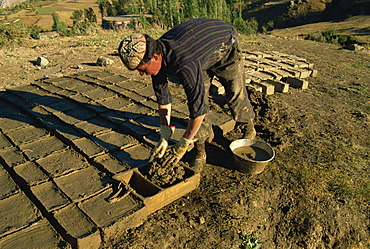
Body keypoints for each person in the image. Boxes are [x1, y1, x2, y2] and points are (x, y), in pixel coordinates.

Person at [118, 18, 256, 172]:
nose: (142, 74)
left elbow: (197, 110)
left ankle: (248, 127)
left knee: (235, 93)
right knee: (201, 100)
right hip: (199, 54)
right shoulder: (157, 53)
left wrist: (183, 144)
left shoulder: (184, 63)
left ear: (155, 57)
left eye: (142, 69)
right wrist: (164, 132)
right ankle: (200, 151)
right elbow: (163, 97)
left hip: (225, 46)